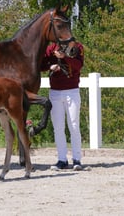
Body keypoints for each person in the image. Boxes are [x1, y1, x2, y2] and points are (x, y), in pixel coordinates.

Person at [40, 41, 84, 171]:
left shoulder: (77, 46)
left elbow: (78, 65)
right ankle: (62, 159)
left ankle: (77, 159)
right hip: (55, 91)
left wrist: (64, 57)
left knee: (74, 126)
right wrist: (50, 66)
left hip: (72, 91)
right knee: (58, 128)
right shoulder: (52, 47)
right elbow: (41, 64)